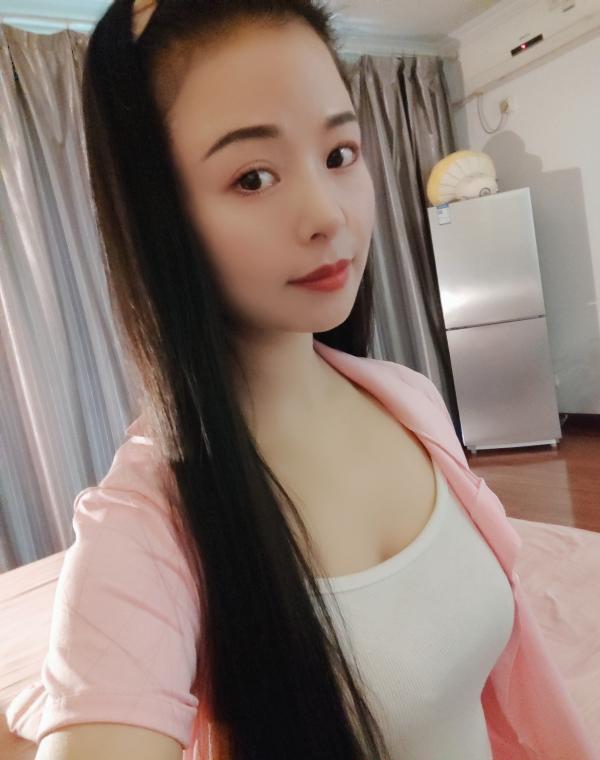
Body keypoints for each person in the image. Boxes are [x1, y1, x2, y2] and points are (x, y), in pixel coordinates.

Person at [5, 1, 598, 759]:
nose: (327, 214)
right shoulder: (147, 526)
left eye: (340, 153)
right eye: (252, 177)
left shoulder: (407, 397)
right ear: (159, 217)